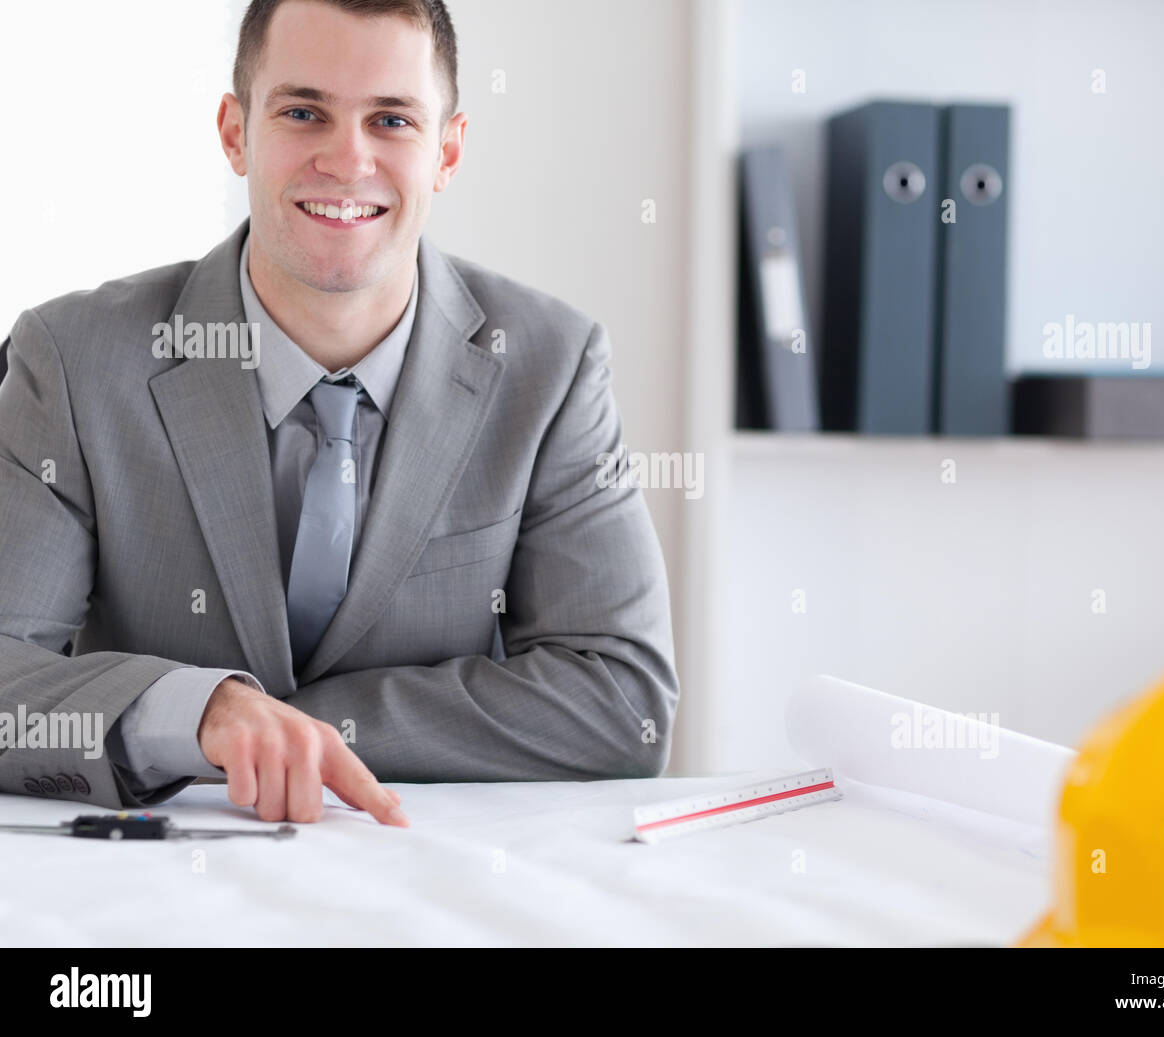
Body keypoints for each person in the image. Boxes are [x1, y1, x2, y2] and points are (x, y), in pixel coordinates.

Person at [0, 0, 678, 828]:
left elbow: (621, 700)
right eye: (302, 111)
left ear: (447, 151)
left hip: (429, 887)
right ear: (235, 131)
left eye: (391, 119)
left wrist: (301, 728)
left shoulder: (551, 368)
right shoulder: (72, 359)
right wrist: (195, 711)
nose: (346, 159)